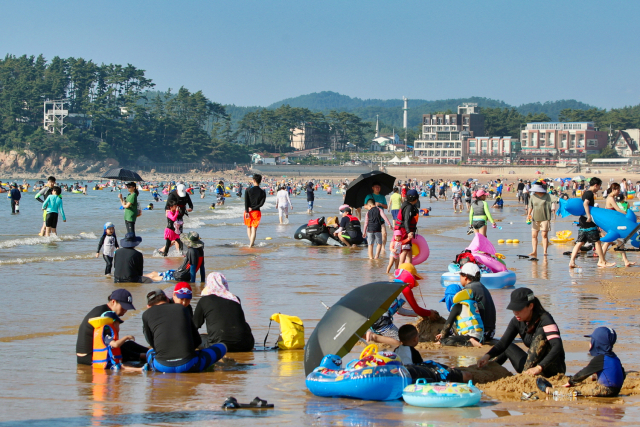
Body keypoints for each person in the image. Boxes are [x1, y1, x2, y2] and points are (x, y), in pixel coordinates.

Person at [477, 288, 566, 377]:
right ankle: (488, 369)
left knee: (541, 333)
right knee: (508, 346)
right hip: (530, 368)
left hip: (551, 370)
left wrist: (539, 367)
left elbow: (557, 346)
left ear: (530, 306)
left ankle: (526, 375)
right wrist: (487, 356)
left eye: (518, 309)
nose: (516, 313)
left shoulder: (545, 320)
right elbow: (503, 343)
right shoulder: (517, 321)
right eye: (514, 309)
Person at [143, 289, 227, 373]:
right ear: (168, 299)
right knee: (222, 347)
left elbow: (151, 343)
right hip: (189, 365)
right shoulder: (181, 308)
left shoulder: (146, 314)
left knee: (150, 352)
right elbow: (197, 340)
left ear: (148, 306)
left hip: (162, 367)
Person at [538, 327, 625, 397]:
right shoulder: (614, 357)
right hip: (616, 390)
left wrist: (571, 382)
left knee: (576, 392)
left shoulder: (600, 359)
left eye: (592, 340)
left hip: (606, 390)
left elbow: (584, 373)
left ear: (597, 344)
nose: (590, 343)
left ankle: (550, 390)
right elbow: (622, 374)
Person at [76, 289, 147, 365]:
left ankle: (150, 351)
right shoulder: (104, 316)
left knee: (129, 344)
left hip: (92, 352)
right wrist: (139, 355)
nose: (125, 310)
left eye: (127, 308)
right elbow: (113, 345)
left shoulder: (103, 310)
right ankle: (145, 356)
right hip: (90, 357)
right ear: (113, 302)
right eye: (123, 307)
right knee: (121, 351)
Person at [193, 272, 255, 352]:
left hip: (218, 346)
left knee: (200, 338)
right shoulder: (235, 299)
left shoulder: (204, 300)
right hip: (246, 345)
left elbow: (194, 325)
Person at [397, 324, 472, 384]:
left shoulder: (397, 349)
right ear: (415, 339)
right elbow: (420, 366)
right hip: (413, 371)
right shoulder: (413, 351)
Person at [569, 177, 615, 268]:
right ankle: (602, 261)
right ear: (596, 185)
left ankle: (572, 262)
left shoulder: (586, 192)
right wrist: (589, 216)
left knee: (580, 242)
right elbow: (585, 203)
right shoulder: (589, 193)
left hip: (582, 220)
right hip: (588, 220)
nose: (599, 189)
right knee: (597, 241)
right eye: (599, 187)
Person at [602, 183, 636, 267]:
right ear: (613, 189)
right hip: (612, 224)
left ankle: (626, 261)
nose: (619, 192)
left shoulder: (611, 197)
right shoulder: (610, 198)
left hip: (613, 222)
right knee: (608, 242)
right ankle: (601, 260)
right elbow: (618, 210)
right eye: (618, 190)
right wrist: (628, 216)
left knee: (620, 242)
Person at [528, 181, 552, 259]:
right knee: (534, 235)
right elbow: (530, 206)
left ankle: (545, 251)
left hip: (545, 218)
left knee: (544, 235)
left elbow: (556, 200)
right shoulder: (532, 196)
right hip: (535, 218)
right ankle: (534, 251)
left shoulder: (547, 196)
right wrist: (528, 214)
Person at [364, 181, 389, 249]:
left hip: (381, 218)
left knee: (384, 233)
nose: (378, 188)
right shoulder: (369, 196)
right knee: (372, 236)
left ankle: (383, 247)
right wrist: (373, 206)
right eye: (376, 187)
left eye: (379, 187)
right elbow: (365, 206)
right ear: (373, 188)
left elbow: (386, 207)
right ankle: (372, 248)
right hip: (372, 219)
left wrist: (380, 204)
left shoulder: (382, 196)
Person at [244, 174, 266, 247]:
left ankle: (251, 242)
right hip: (256, 212)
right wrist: (253, 208)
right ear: (260, 181)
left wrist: (247, 211)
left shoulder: (248, 190)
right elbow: (261, 204)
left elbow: (246, 202)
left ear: (254, 180)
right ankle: (251, 244)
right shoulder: (263, 192)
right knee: (254, 228)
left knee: (248, 227)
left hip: (248, 211)